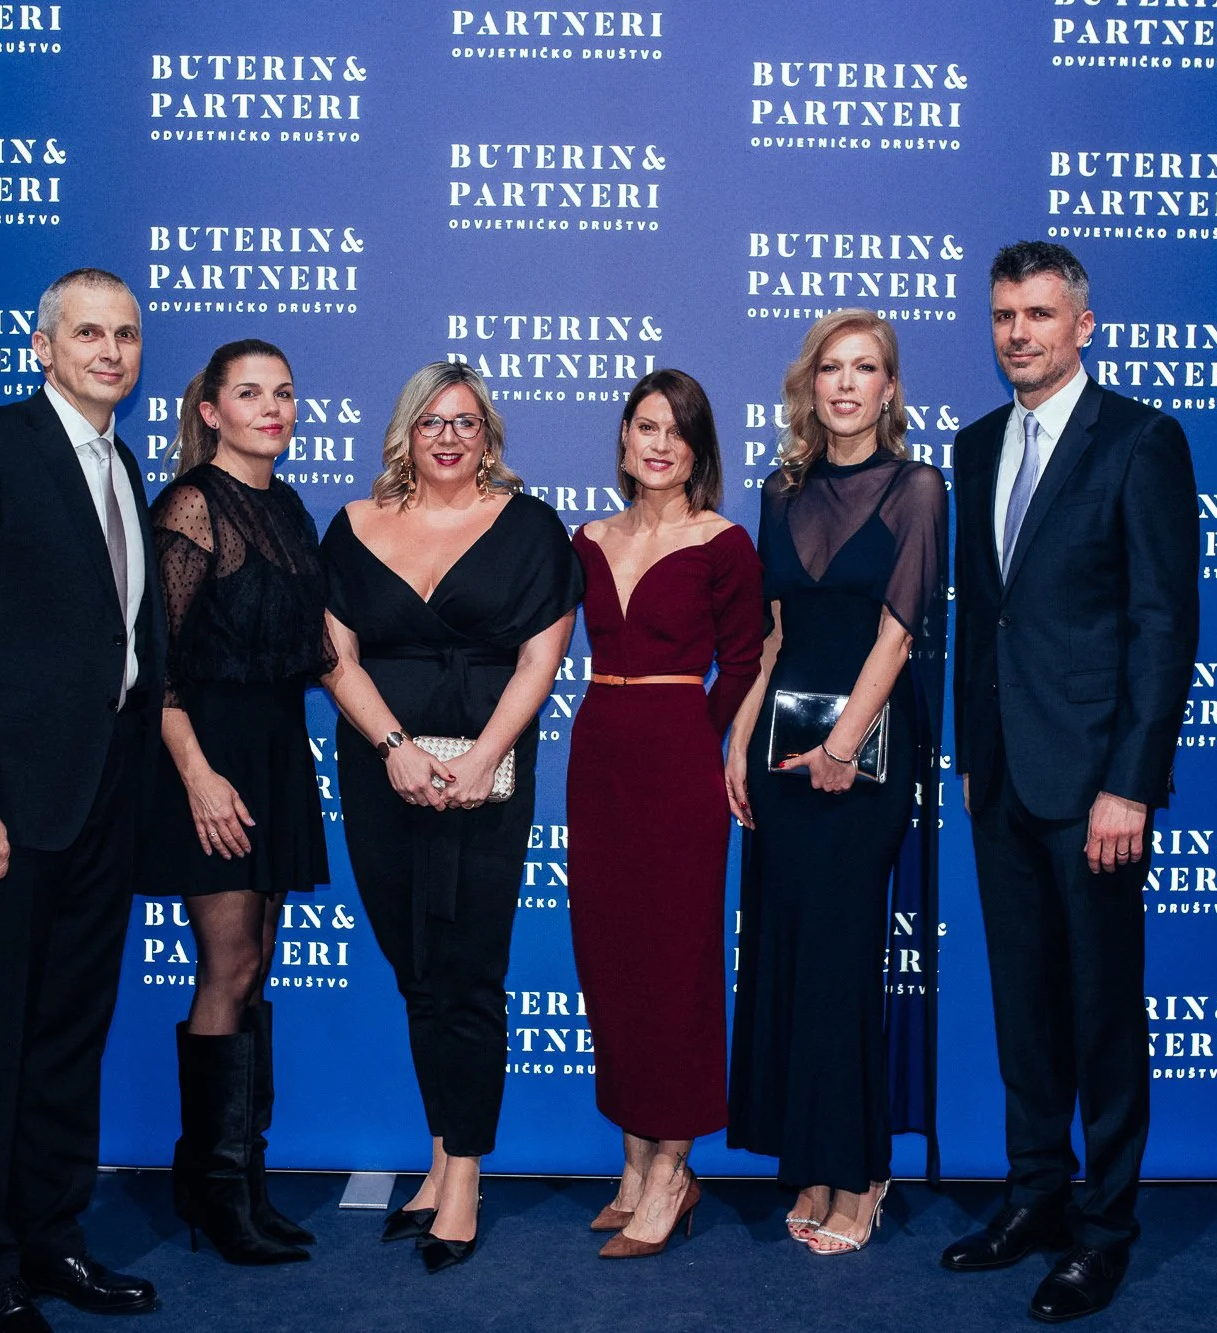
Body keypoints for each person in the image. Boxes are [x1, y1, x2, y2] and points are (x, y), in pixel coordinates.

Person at [0, 268, 162, 1333]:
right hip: (1, 808)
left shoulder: (122, 463)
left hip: (101, 803)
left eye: (126, 334)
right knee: (0, 1036)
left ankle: (55, 1240)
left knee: (68, 1034)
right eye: (88, 332)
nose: (109, 350)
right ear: (41, 345)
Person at [941, 241, 1198, 1322]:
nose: (1017, 332)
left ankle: (1103, 1229)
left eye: (1039, 314)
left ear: (1081, 325)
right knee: (1024, 1009)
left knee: (1099, 1015)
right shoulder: (974, 443)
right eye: (1003, 313)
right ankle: (1033, 1195)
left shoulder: (1139, 439)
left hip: (1093, 783)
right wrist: (968, 757)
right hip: (1000, 775)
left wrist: (1129, 784)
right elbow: (989, 617)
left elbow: (1161, 625)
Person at [318, 362, 581, 1273]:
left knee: (468, 970)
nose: (448, 436)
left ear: (490, 437)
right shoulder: (351, 526)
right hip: (381, 772)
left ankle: (463, 1176)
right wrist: (395, 747)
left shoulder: (530, 528)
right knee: (417, 971)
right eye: (431, 420)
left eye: (466, 422)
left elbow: (540, 660)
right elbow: (334, 655)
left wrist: (479, 758)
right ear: (405, 431)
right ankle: (438, 1155)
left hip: (484, 778)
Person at [725, 308, 947, 1257]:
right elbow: (774, 638)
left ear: (890, 389)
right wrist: (736, 742)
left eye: (867, 369)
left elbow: (899, 635)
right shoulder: (780, 491)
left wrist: (844, 746)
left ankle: (859, 1173)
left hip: (868, 757)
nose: (847, 384)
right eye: (831, 368)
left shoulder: (917, 488)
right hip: (779, 756)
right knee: (790, 952)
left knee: (846, 954)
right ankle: (811, 1159)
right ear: (809, 384)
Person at [566, 369, 764, 1260]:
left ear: (697, 449)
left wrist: (703, 736)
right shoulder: (587, 538)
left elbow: (747, 657)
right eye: (645, 426)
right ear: (623, 440)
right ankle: (635, 1150)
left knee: (677, 959)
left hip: (678, 760)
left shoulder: (724, 542)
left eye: (676, 431)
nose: (658, 443)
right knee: (611, 957)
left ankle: (674, 1166)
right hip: (598, 750)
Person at [148, 340, 332, 1266]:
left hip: (273, 754)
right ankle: (215, 1195)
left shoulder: (288, 506)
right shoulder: (189, 505)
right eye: (251, 393)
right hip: (210, 755)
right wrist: (196, 774)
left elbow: (320, 649)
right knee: (226, 968)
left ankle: (239, 1181)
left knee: (253, 966)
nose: (273, 407)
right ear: (211, 410)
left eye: (286, 394)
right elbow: (158, 668)